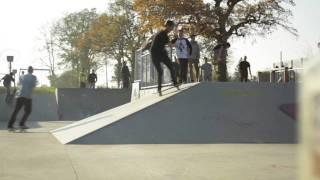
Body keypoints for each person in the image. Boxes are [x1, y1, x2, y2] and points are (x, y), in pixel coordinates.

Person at [150, 20, 179, 96]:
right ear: (168, 26)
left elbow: (167, 44)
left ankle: (175, 83)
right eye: (172, 28)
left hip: (162, 53)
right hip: (155, 54)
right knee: (160, 71)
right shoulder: (162, 34)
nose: (172, 29)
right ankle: (159, 89)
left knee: (171, 67)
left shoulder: (164, 34)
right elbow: (170, 45)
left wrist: (175, 39)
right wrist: (176, 39)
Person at [8, 66, 37, 131]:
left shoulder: (22, 76)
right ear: (32, 71)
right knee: (28, 111)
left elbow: (19, 85)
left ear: (27, 70)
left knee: (16, 111)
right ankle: (21, 124)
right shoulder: (33, 77)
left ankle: (10, 125)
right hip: (27, 96)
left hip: (20, 96)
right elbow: (33, 85)